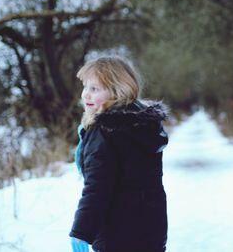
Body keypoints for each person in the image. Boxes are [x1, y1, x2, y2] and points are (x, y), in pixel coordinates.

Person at [69, 56, 169, 252]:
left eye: (94, 89)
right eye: (85, 87)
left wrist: (81, 232)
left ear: (117, 92)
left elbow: (97, 188)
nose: (86, 95)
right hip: (151, 227)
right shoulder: (144, 125)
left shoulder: (106, 131)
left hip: (117, 233)